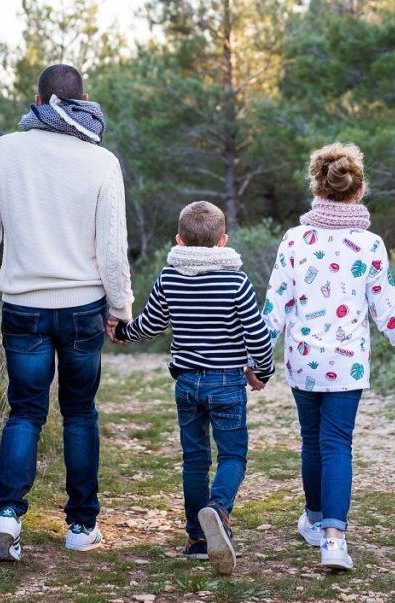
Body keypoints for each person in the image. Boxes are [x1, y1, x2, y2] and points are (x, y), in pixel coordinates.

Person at [0, 64, 133, 561]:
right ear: (82, 99)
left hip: (24, 308)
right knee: (80, 413)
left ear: (37, 100)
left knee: (26, 412)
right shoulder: (101, 161)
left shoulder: (5, 150)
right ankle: (81, 526)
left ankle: (7, 518)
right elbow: (111, 248)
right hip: (82, 309)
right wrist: (119, 307)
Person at [262, 143, 395, 571]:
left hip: (303, 362)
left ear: (317, 187)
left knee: (312, 440)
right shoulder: (369, 245)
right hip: (347, 365)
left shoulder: (294, 240)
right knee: (337, 444)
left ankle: (314, 520)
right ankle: (334, 540)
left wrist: (254, 358)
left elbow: (274, 307)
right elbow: (386, 312)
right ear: (358, 190)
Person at [111, 201, 274, 575]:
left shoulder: (170, 278)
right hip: (227, 383)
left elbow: (150, 324)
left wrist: (121, 331)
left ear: (179, 241)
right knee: (233, 455)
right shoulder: (236, 281)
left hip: (186, 383)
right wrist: (262, 370)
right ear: (223, 241)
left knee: (195, 460)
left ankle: (198, 541)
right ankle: (217, 511)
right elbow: (258, 335)